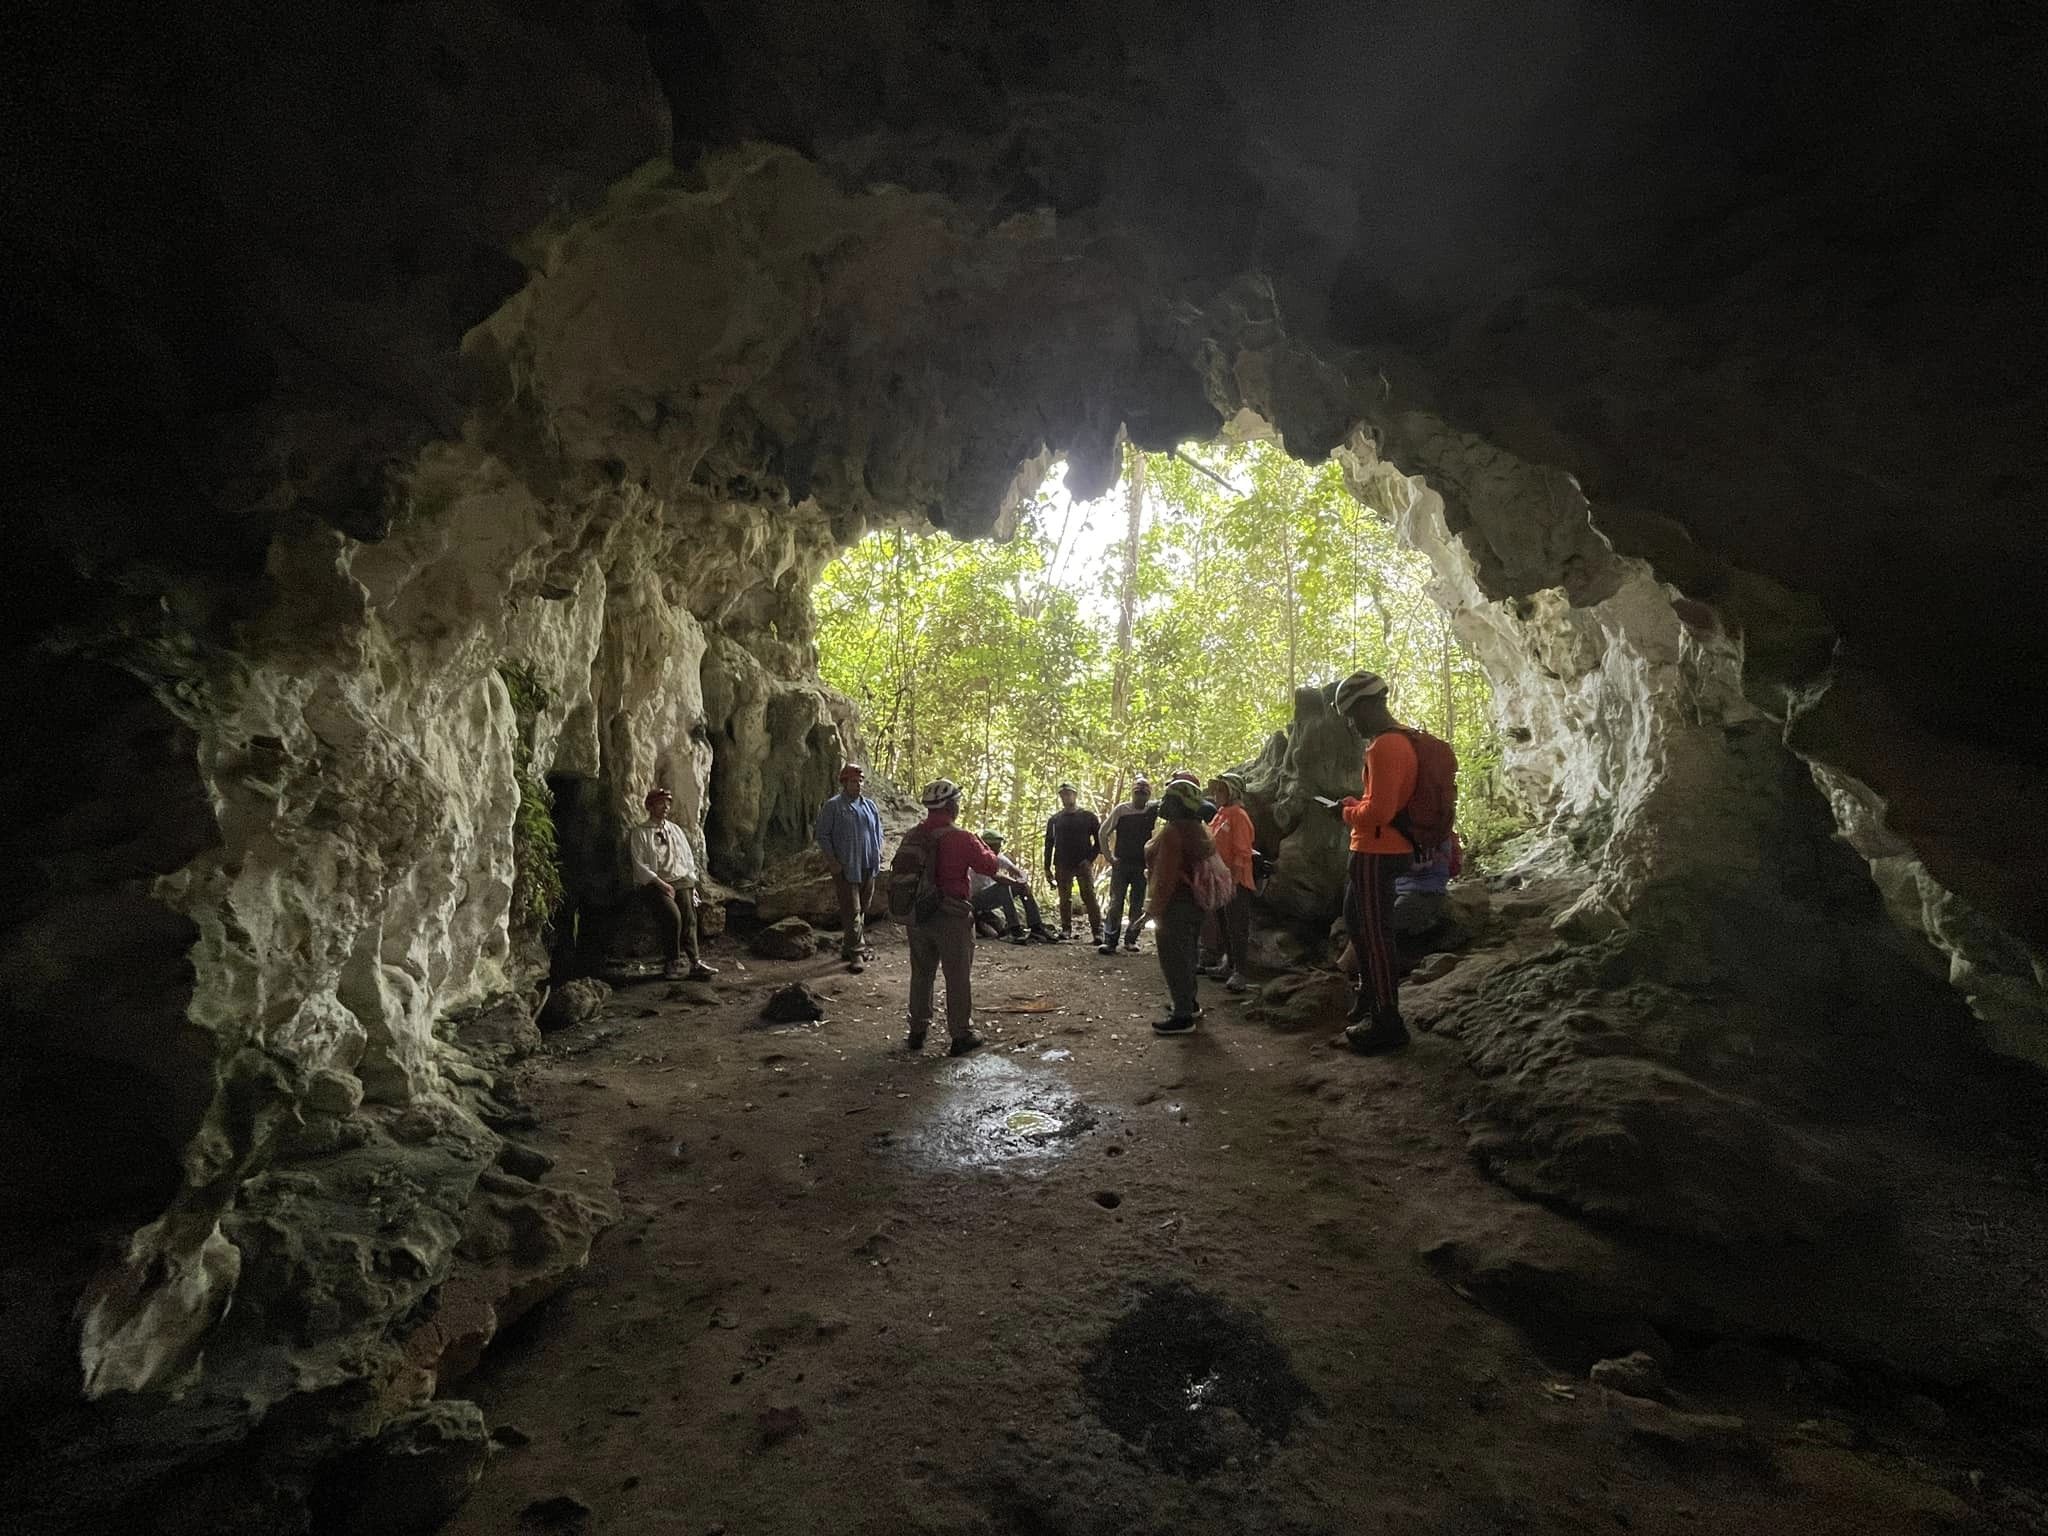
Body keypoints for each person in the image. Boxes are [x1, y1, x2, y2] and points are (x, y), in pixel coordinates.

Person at [889, 779, 1019, 1055]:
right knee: (957, 975)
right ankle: (961, 1033)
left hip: (919, 913)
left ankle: (917, 1030)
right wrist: (981, 843)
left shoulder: (913, 835)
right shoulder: (961, 837)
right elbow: (988, 864)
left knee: (921, 973)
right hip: (952, 915)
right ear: (951, 806)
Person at [1333, 670, 1416, 1053]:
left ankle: (1388, 1021)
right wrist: (1357, 805)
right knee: (1358, 923)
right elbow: (1381, 804)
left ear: (1368, 706)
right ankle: (1370, 998)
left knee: (1376, 935)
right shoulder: (1394, 743)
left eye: (1352, 714)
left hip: (1377, 852)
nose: (1352, 723)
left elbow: (1380, 813)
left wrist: (1347, 814)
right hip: (1376, 848)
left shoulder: (1386, 746)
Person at [1144, 780, 1217, 1033]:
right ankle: (1189, 1002)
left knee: (1174, 957)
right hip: (1195, 902)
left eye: (1168, 799)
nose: (1162, 803)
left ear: (1179, 804)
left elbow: (1166, 876)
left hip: (1176, 903)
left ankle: (1183, 1015)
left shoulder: (1174, 832)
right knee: (1188, 954)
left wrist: (1152, 910)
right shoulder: (1197, 829)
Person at [628, 786, 718, 981]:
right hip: (654, 883)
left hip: (679, 880)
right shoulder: (640, 833)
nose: (665, 807)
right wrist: (661, 883)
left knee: (689, 917)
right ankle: (672, 961)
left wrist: (691, 884)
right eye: (661, 803)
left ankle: (695, 962)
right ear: (650, 806)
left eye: (667, 803)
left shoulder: (675, 830)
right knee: (673, 916)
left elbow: (686, 859)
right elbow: (639, 865)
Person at [814, 762, 884, 973]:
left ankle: (849, 945)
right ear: (844, 782)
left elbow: (878, 831)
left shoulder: (870, 806)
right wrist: (833, 861)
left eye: (860, 781)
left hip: (867, 865)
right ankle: (856, 954)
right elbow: (823, 834)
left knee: (862, 907)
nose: (858, 785)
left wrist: (878, 852)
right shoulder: (834, 806)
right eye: (854, 781)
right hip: (846, 866)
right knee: (851, 909)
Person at [1203, 773, 1256, 992]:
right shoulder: (1221, 814)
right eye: (1216, 791)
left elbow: (1242, 851)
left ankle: (1241, 972)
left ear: (1233, 792)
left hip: (1237, 880)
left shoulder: (1238, 815)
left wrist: (1234, 879)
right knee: (1224, 924)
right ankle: (1229, 964)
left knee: (1237, 926)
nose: (1216, 795)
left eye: (1221, 791)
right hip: (1221, 879)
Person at [1099, 776, 1161, 954]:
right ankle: (1110, 940)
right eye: (1137, 793)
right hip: (1122, 863)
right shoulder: (1121, 810)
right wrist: (1109, 857)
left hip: (1142, 865)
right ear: (1132, 793)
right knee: (1116, 902)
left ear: (1148, 795)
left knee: (1137, 903)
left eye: (1144, 793)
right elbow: (1103, 832)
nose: (1140, 797)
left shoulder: (1152, 810)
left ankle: (1131, 939)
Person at [1041, 782, 1104, 943]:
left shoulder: (1088, 816)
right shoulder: (1055, 820)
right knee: (1064, 898)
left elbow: (1099, 841)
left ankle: (1098, 931)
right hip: (1062, 863)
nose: (1066, 797)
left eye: (1069, 793)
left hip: (1082, 863)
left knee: (1089, 896)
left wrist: (1089, 860)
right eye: (1063, 794)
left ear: (1075, 795)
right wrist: (1047, 867)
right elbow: (1049, 843)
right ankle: (1066, 929)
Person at [969, 831, 1057, 942]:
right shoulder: (979, 858)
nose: (997, 850)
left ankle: (1036, 926)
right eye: (995, 847)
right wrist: (1016, 883)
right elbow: (997, 876)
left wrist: (1023, 881)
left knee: (1022, 887)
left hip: (991, 897)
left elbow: (1018, 871)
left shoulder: (998, 857)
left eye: (999, 847)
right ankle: (1014, 928)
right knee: (1003, 886)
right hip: (975, 901)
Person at [1394, 831, 1462, 956]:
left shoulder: (1434, 829)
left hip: (1425, 891)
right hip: (1403, 888)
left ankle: (1347, 969)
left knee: (1382, 924)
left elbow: (1419, 865)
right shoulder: (1402, 827)